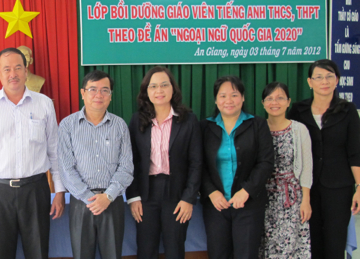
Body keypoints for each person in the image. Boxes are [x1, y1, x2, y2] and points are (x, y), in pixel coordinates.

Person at [0, 47, 66, 259]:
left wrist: (60, 191)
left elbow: (55, 151)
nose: (13, 74)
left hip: (36, 190)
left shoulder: (44, 104)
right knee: (1, 253)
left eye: (18, 68)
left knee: (38, 252)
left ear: (26, 71)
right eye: (7, 69)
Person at [126, 66, 202, 259]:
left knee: (175, 248)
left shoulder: (189, 120)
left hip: (177, 193)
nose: (159, 91)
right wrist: (133, 197)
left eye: (164, 85)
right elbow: (130, 161)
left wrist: (188, 198)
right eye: (153, 86)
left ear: (173, 89)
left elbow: (196, 162)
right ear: (146, 92)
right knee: (145, 248)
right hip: (146, 193)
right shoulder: (137, 121)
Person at [288, 59, 360, 259]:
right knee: (310, 242)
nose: (324, 81)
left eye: (329, 76)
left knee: (335, 242)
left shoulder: (348, 110)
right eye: (318, 77)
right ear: (310, 82)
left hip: (339, 187)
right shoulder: (298, 110)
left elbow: (355, 152)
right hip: (306, 188)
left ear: (337, 80)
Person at [58, 70, 133, 259]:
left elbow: (126, 167)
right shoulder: (68, 125)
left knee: (113, 255)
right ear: (83, 93)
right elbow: (66, 168)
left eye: (104, 90)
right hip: (81, 202)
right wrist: (88, 198)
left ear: (110, 96)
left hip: (112, 201)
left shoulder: (120, 125)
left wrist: (107, 196)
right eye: (92, 89)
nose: (98, 95)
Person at [201, 75, 274, 259]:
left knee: (247, 254)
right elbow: (197, 165)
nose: (228, 100)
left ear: (242, 97)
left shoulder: (258, 125)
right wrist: (211, 192)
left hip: (249, 204)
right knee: (218, 254)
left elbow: (266, 162)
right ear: (216, 100)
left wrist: (246, 190)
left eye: (234, 95)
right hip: (216, 206)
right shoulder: (204, 127)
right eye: (223, 95)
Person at [259, 82, 312, 258]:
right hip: (263, 197)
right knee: (264, 245)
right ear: (263, 103)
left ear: (288, 102)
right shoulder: (257, 128)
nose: (275, 102)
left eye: (280, 98)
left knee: (290, 247)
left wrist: (306, 201)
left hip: (291, 199)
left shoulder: (299, 129)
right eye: (270, 98)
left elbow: (306, 168)